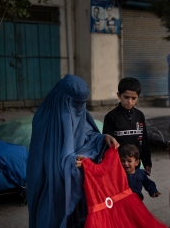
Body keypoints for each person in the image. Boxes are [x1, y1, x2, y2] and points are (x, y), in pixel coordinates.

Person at [26, 74, 120, 228]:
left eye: (80, 105)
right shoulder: (44, 118)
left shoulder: (80, 112)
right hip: (50, 181)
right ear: (61, 99)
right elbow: (44, 157)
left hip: (77, 180)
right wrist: (68, 162)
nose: (77, 110)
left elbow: (88, 135)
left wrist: (103, 138)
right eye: (73, 104)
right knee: (51, 214)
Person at [103, 77, 152, 175]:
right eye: (126, 97)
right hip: (118, 165)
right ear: (119, 95)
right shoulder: (111, 117)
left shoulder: (139, 115)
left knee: (135, 188)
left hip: (135, 165)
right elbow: (107, 144)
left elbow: (144, 140)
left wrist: (147, 161)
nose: (130, 101)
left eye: (133, 98)